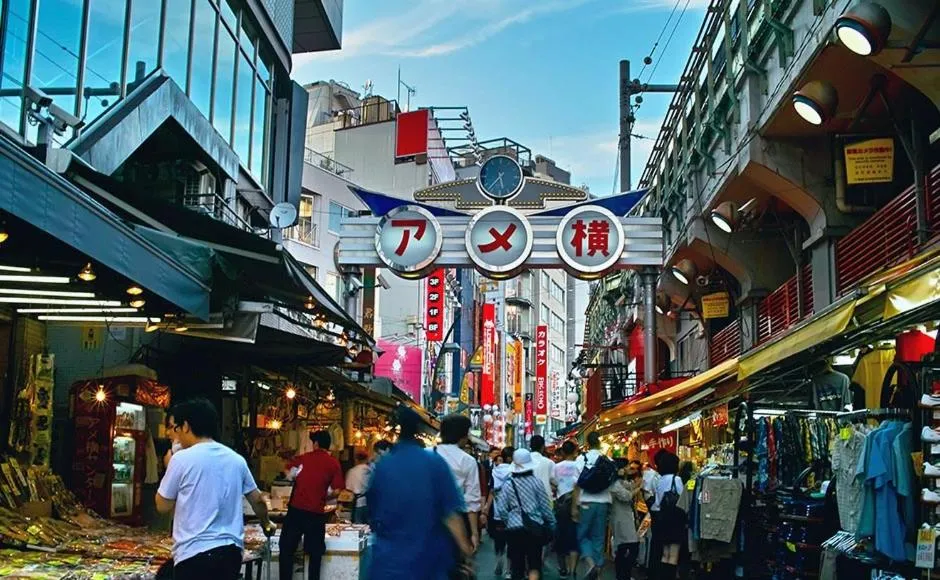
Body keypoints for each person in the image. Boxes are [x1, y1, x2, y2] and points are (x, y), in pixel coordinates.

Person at [155, 398, 273, 580]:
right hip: (230, 554)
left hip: (193, 555)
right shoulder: (236, 460)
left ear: (185, 426)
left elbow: (162, 505)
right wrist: (266, 523)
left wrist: (168, 466)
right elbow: (257, 501)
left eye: (175, 428)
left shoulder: (180, 460)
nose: (174, 434)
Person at [368, 406, 474, 579]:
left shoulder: (383, 466)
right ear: (418, 430)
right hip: (426, 561)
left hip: (387, 562)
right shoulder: (434, 463)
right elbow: (451, 516)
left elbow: (373, 511)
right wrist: (466, 551)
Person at [279, 430, 345, 580]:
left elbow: (288, 472)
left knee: (286, 550)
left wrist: (296, 480)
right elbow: (336, 491)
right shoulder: (334, 463)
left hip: (296, 511)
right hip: (316, 513)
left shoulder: (303, 459)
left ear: (315, 444)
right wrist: (323, 494)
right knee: (315, 554)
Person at [495, 449, 556, 580]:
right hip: (535, 527)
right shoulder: (537, 482)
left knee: (517, 566)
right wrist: (551, 523)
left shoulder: (508, 484)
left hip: (514, 529)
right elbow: (545, 506)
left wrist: (509, 520)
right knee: (534, 565)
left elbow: (501, 508)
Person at [436, 414, 483, 553]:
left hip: (426, 517)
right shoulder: (467, 460)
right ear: (462, 435)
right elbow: (471, 500)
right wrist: (474, 533)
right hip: (457, 518)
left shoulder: (426, 454)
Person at [573, 432, 612, 580]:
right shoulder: (607, 459)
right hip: (603, 503)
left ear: (587, 444)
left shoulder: (582, 459)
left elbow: (576, 484)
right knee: (599, 538)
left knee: (581, 535)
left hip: (586, 502)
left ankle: (591, 564)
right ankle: (599, 574)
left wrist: (574, 507)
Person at [649, 451, 688, 580]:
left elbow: (658, 502)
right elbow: (682, 498)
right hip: (675, 519)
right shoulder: (676, 479)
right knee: (674, 554)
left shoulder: (660, 480)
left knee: (665, 554)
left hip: (662, 519)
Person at [482, 446, 515, 578]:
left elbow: (491, 491)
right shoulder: (515, 471)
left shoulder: (495, 471)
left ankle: (498, 560)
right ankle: (508, 569)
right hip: (512, 511)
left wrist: (485, 509)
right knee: (511, 540)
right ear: (511, 458)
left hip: (497, 511)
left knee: (498, 539)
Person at [551, 440, 581, 578]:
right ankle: (573, 569)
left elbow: (553, 483)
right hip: (577, 503)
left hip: (561, 504)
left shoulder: (557, 467)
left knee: (560, 536)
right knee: (574, 536)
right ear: (575, 451)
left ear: (562, 452)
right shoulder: (579, 465)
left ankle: (563, 568)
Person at [610, 463, 642, 580]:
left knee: (624, 547)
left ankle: (623, 575)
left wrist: (636, 484)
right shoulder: (614, 484)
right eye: (627, 467)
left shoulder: (620, 482)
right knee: (630, 546)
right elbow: (626, 496)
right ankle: (623, 575)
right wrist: (638, 488)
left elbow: (629, 486)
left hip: (625, 517)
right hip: (620, 518)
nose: (629, 469)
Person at [345, 451, 371, 524]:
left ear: (356, 459)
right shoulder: (371, 470)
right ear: (366, 459)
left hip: (357, 503)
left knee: (358, 527)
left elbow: (348, 488)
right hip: (370, 503)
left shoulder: (352, 471)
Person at [529, 435, 555, 501]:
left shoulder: (523, 462)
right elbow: (556, 481)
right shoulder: (549, 462)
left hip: (526, 499)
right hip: (546, 499)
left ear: (530, 446)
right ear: (543, 446)